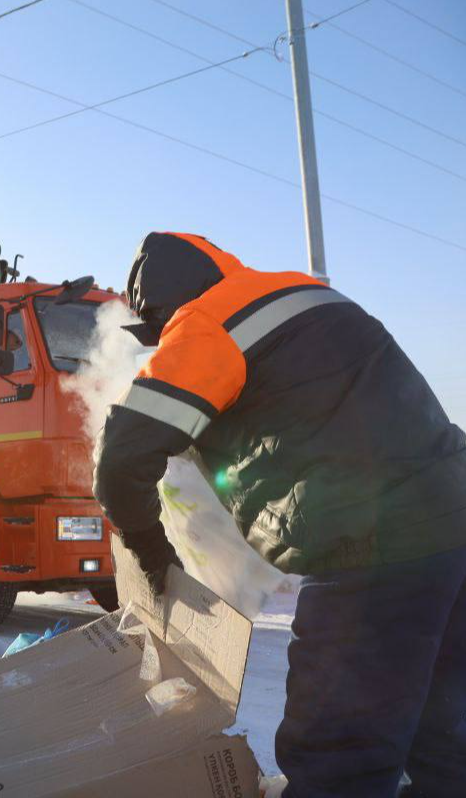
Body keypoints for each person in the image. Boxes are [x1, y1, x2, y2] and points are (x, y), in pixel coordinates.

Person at [92, 231, 466, 798]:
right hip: (454, 527)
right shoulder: (306, 293)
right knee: (444, 743)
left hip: (375, 549)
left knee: (337, 755)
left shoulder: (206, 322)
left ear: (165, 308)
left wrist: (148, 546)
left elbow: (120, 460)